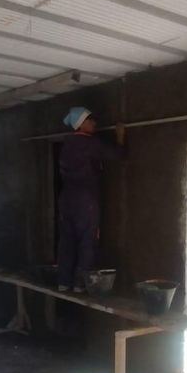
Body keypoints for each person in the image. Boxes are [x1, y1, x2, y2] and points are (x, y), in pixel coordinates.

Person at [57, 107, 125, 292]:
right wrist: (120, 136)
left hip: (66, 199)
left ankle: (63, 282)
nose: (94, 123)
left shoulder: (67, 144)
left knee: (67, 241)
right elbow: (118, 155)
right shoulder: (88, 143)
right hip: (85, 199)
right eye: (90, 120)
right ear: (81, 124)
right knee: (88, 239)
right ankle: (80, 284)